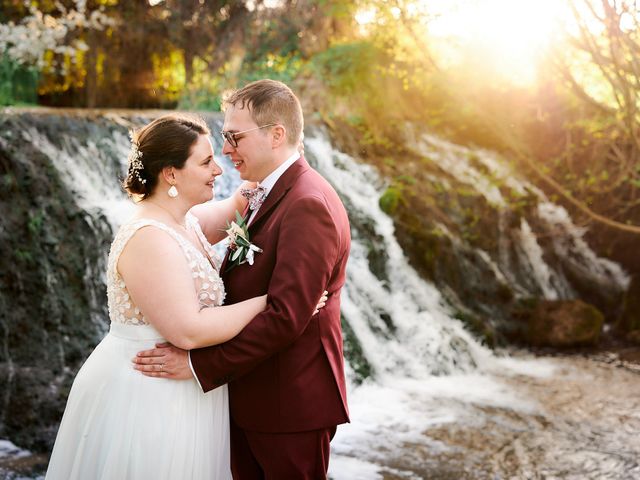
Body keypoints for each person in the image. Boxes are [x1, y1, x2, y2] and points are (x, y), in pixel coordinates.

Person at [45, 113, 328, 480]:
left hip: (185, 387)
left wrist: (279, 160)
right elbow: (188, 330)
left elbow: (243, 200)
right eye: (207, 162)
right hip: (147, 391)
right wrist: (272, 301)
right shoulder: (149, 236)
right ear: (172, 174)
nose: (219, 170)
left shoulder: (185, 221)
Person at [134, 79, 351, 479]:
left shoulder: (307, 204)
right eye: (223, 137)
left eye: (234, 137)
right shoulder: (263, 192)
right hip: (254, 395)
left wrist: (199, 366)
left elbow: (287, 317)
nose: (226, 150)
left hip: (288, 405)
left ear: (277, 135)